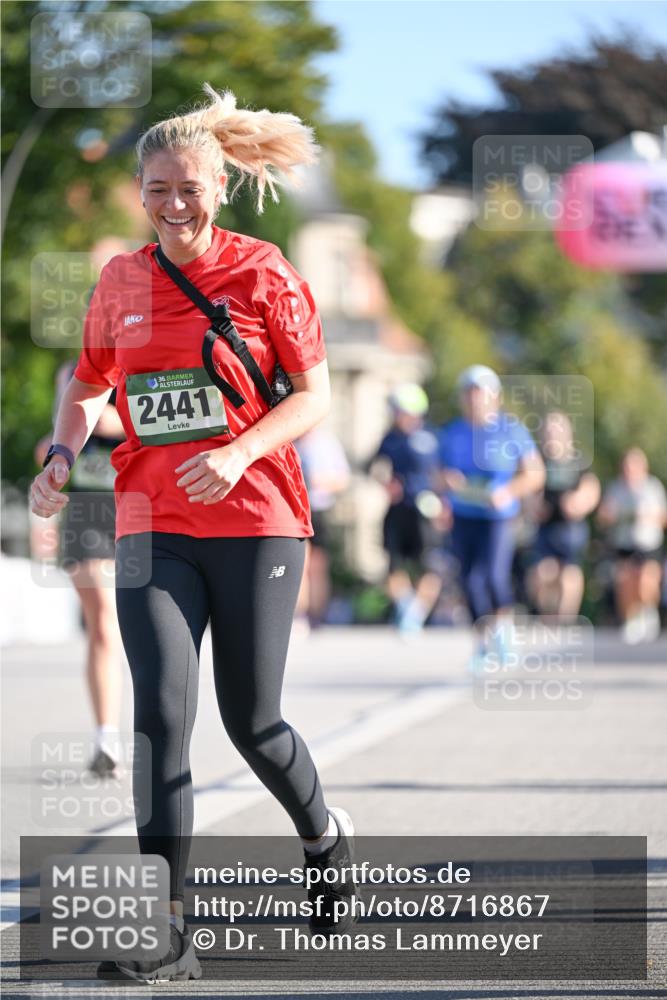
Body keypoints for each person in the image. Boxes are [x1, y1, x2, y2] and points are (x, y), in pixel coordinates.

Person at [29, 84, 358, 983]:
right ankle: (167, 935)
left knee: (251, 723)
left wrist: (244, 451)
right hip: (149, 518)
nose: (175, 206)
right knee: (159, 721)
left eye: (189, 189)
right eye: (157, 190)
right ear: (140, 192)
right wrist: (62, 456)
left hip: (258, 520)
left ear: (221, 185)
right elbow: (90, 383)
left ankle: (323, 838)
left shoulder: (264, 273)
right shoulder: (120, 280)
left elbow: (315, 395)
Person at [33, 360, 125, 777]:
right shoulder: (73, 372)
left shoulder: (153, 360)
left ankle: (160, 735)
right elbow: (56, 439)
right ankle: (107, 735)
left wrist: (117, 422)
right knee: (103, 621)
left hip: (140, 509)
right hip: (88, 513)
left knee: (139, 627)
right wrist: (54, 451)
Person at [437, 365, 545, 667]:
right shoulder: (452, 432)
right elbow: (437, 474)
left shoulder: (511, 429)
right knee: (470, 581)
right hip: (464, 514)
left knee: (494, 576)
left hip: (498, 516)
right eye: (469, 394)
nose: (475, 400)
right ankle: (482, 644)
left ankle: (504, 631)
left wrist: (508, 491)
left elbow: (535, 473)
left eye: (481, 393)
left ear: (494, 397)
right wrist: (447, 481)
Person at [371, 383, 443, 635]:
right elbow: (374, 467)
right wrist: (386, 482)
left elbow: (441, 474)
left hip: (424, 511)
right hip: (398, 510)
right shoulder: (389, 439)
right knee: (393, 564)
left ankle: (416, 613)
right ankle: (405, 606)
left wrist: (444, 505)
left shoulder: (431, 438)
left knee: (430, 566)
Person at [527, 411, 600, 622]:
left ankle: (565, 619)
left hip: (571, 526)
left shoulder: (578, 460)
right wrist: (533, 506)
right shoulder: (538, 460)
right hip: (546, 525)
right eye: (548, 430)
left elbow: (591, 487)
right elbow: (528, 487)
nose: (552, 434)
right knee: (542, 572)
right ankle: (547, 616)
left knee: (569, 573)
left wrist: (579, 502)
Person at [597, 447, 666, 643]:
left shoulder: (652, 487)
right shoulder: (616, 488)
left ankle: (648, 613)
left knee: (646, 581)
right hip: (624, 542)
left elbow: (663, 517)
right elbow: (603, 516)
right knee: (624, 581)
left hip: (648, 543)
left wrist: (648, 516)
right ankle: (631, 619)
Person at [294, 425, 350, 631]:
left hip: (319, 508)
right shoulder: (292, 440)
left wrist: (320, 482)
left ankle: (317, 614)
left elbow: (343, 479)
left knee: (318, 566)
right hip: (297, 508)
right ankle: (299, 613)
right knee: (301, 562)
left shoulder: (326, 442)